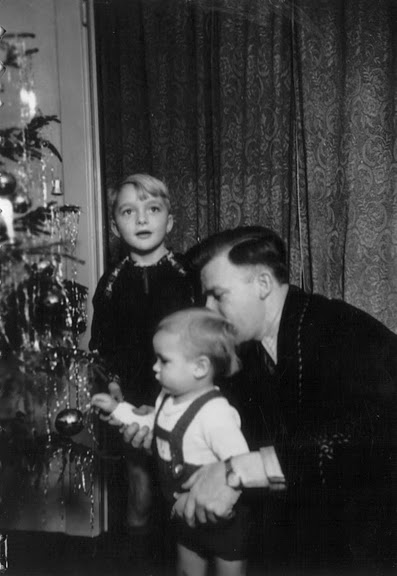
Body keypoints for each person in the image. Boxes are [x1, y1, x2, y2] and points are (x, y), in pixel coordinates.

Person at [123, 226, 397, 574]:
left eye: (217, 295)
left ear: (263, 285)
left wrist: (237, 472)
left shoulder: (340, 331)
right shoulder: (250, 353)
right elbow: (241, 431)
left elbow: (369, 436)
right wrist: (167, 421)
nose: (207, 309)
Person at [92, 308, 251, 576]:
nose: (154, 367)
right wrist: (117, 410)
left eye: (164, 361)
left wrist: (221, 505)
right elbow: (154, 426)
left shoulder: (216, 414)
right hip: (181, 513)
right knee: (187, 569)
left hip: (221, 519)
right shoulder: (166, 397)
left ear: (200, 367)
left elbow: (242, 466)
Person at [89, 174, 197, 562]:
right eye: (128, 211)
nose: (141, 219)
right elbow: (103, 349)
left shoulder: (189, 274)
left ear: (169, 221)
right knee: (141, 490)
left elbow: (207, 341)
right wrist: (114, 388)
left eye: (153, 209)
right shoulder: (112, 284)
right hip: (135, 401)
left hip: (186, 399)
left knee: (185, 488)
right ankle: (140, 565)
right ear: (115, 225)